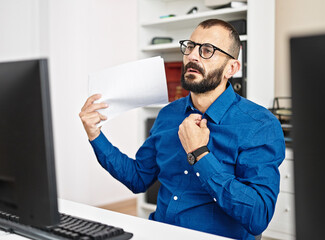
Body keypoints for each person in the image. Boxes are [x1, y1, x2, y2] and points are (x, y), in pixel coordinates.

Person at [79, 19, 285, 240]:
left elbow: (258, 216)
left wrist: (200, 154)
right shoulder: (168, 115)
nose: (192, 56)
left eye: (207, 50)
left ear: (231, 68)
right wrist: (95, 134)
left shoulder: (260, 125)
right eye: (190, 46)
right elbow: (138, 178)